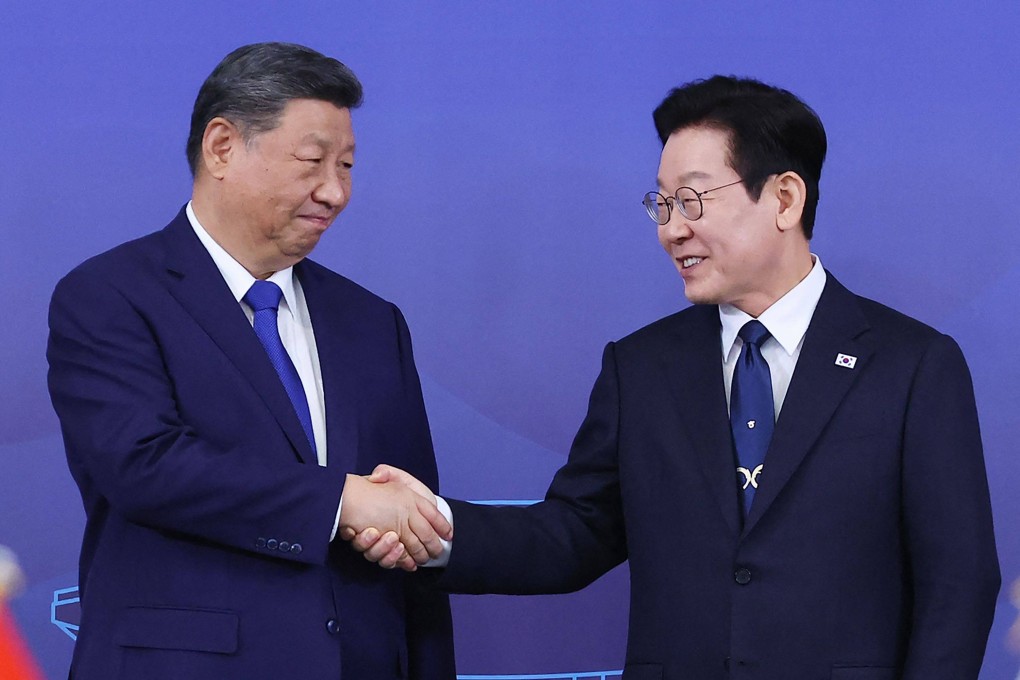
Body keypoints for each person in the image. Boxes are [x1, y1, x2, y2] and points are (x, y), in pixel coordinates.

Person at [351, 76, 1001, 679]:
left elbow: (960, 581)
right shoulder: (641, 369)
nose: (671, 228)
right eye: (660, 203)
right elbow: (572, 535)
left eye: (690, 199)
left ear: (784, 197)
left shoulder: (913, 366)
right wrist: (429, 526)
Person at [46, 42, 455, 680]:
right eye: (313, 161)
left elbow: (411, 525)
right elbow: (143, 464)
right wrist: (339, 502)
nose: (336, 191)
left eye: (347, 165)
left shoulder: (372, 322)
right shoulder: (109, 295)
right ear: (222, 147)